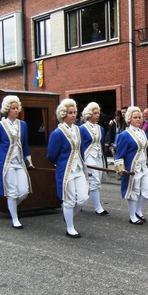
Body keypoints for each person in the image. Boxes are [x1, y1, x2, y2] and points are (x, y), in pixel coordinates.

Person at [0, 95, 34, 229]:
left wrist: (28, 160)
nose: (16, 110)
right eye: (13, 108)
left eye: (17, 108)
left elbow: (25, 144)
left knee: (24, 191)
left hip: (19, 162)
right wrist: (3, 153)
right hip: (7, 162)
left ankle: (11, 207)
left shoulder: (23, 125)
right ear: (7, 110)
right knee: (12, 192)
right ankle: (15, 218)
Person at [47, 99, 90, 238]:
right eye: (70, 113)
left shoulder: (77, 129)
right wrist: (61, 164)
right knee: (69, 199)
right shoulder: (57, 133)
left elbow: (81, 149)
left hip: (78, 169)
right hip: (66, 170)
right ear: (63, 114)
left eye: (74, 113)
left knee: (83, 198)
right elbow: (51, 155)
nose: (73, 115)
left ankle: (68, 216)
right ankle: (70, 227)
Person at [115, 106, 148, 225]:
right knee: (133, 192)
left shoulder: (143, 133)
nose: (138, 119)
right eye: (135, 117)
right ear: (129, 119)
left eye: (140, 117)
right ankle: (132, 216)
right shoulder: (124, 135)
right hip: (132, 168)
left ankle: (138, 210)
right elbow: (119, 154)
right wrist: (120, 169)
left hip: (144, 166)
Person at [80, 102, 110, 216]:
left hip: (98, 156)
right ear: (89, 114)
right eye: (95, 113)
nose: (98, 115)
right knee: (94, 181)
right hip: (88, 157)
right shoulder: (82, 128)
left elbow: (101, 144)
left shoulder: (100, 129)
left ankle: (80, 201)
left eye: (98, 113)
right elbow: (80, 146)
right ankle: (98, 208)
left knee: (92, 181)